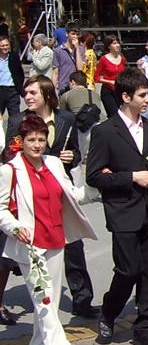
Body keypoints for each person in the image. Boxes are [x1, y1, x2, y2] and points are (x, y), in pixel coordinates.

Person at [0, 114, 97, 345]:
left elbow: (72, 194)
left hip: (55, 237)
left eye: (41, 140)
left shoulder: (53, 163)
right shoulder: (10, 170)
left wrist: (95, 186)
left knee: (49, 298)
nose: (37, 145)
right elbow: (1, 208)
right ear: (21, 141)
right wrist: (14, 227)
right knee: (42, 296)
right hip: (29, 243)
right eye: (31, 140)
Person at [87, 68, 148, 345]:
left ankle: (146, 327)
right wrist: (131, 177)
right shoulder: (104, 131)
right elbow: (94, 176)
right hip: (123, 211)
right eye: (143, 95)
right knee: (128, 270)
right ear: (125, 97)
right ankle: (109, 312)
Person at [7, 76, 97, 319]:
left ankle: (82, 300)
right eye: (26, 93)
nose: (27, 97)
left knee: (73, 247)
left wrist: (72, 157)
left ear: (47, 94)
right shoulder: (17, 120)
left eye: (33, 93)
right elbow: (8, 156)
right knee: (20, 251)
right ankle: (34, 304)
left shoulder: (65, 118)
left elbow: (76, 152)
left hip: (60, 190)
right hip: (31, 194)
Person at [59, 71, 105, 162]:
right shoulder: (95, 94)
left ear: (73, 82)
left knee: (79, 157)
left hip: (82, 127)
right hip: (101, 124)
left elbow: (63, 116)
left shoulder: (66, 95)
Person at [94, 34, 127, 117]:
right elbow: (96, 77)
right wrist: (110, 81)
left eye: (118, 43)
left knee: (122, 113)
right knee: (114, 114)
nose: (117, 45)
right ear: (109, 46)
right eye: (114, 43)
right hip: (108, 90)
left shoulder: (122, 59)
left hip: (120, 90)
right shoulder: (103, 59)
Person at [51, 26, 85, 95]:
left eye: (77, 34)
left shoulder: (81, 49)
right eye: (73, 34)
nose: (75, 36)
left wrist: (77, 49)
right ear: (67, 34)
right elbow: (55, 72)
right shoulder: (58, 50)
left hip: (77, 85)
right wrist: (52, 90)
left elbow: (80, 68)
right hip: (64, 85)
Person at [0, 35, 23, 118]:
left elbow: (20, 73)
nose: (5, 47)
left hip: (13, 90)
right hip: (0, 89)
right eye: (2, 45)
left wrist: (19, 86)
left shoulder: (14, 56)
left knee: (15, 117)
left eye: (7, 45)